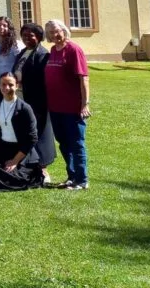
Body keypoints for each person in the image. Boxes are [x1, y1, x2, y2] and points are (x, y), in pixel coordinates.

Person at [0, 72, 43, 192]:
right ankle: (0, 175)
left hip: (21, 153)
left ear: (17, 86)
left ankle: (1, 175)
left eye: (10, 85)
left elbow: (32, 138)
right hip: (3, 148)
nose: (6, 88)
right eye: (3, 84)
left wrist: (15, 161)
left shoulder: (25, 108)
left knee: (17, 177)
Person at [44, 19, 91, 190]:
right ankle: (72, 176)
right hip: (55, 107)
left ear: (64, 31)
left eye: (57, 31)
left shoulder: (73, 50)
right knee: (64, 143)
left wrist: (85, 104)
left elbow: (83, 79)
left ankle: (82, 180)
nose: (54, 35)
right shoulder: (53, 50)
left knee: (76, 143)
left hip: (72, 107)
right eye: (51, 32)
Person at [14, 22, 57, 180]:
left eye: (30, 35)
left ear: (39, 37)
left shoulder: (42, 54)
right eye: (24, 35)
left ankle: (43, 169)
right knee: (25, 133)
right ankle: (28, 165)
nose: (26, 38)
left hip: (36, 101)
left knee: (39, 135)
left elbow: (43, 80)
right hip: (21, 99)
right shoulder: (23, 52)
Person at [0, 16, 23, 81]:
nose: (1, 27)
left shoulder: (15, 44)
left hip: (12, 79)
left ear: (9, 28)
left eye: (4, 25)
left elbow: (21, 63)